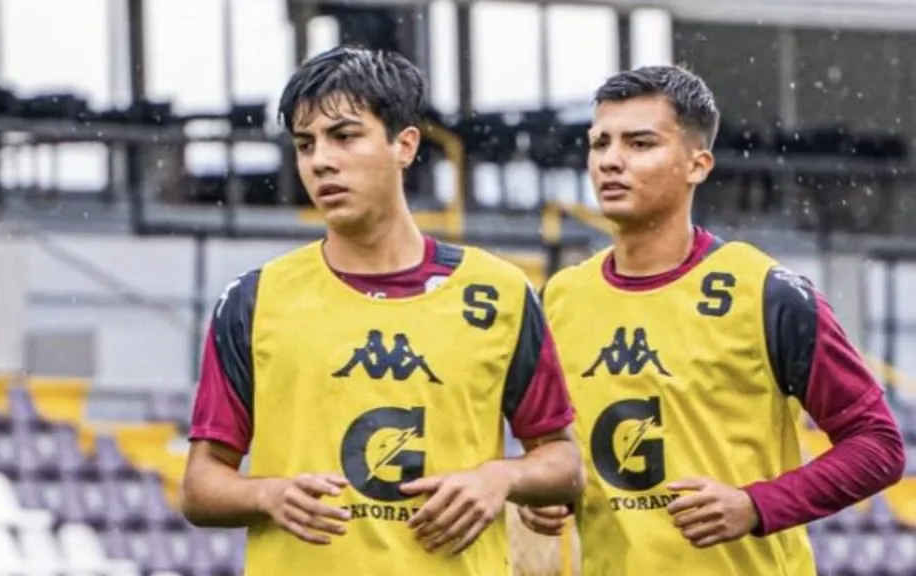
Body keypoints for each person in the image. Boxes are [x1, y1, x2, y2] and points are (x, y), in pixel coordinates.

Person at [180, 45, 584, 576]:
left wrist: (501, 477)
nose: (321, 160)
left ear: (405, 144)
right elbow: (200, 485)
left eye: (344, 136)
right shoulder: (254, 300)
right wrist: (268, 494)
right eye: (305, 144)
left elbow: (563, 461)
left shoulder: (499, 292)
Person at [520, 65, 906, 576]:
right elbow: (564, 454)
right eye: (600, 143)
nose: (611, 160)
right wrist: (547, 496)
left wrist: (756, 505)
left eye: (640, 143)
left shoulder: (766, 292)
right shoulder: (561, 298)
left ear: (697, 165)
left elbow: (878, 446)